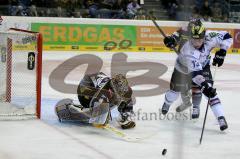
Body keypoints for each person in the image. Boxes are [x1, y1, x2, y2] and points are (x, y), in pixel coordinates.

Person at [161, 20, 233, 131]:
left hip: (203, 67)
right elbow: (196, 75)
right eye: (194, 40)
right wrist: (204, 85)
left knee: (210, 92)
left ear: (204, 36)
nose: (197, 43)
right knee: (174, 93)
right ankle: (167, 103)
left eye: (200, 39)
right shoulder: (187, 49)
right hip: (183, 69)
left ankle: (220, 117)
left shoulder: (210, 36)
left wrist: (222, 51)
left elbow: (227, 36)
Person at [55, 72, 136, 129]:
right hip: (84, 92)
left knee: (121, 99)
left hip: (96, 83)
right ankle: (66, 110)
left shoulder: (126, 90)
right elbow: (95, 119)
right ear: (112, 88)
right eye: (118, 93)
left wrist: (127, 115)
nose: (120, 96)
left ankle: (103, 110)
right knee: (92, 116)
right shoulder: (102, 93)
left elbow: (128, 101)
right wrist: (99, 117)